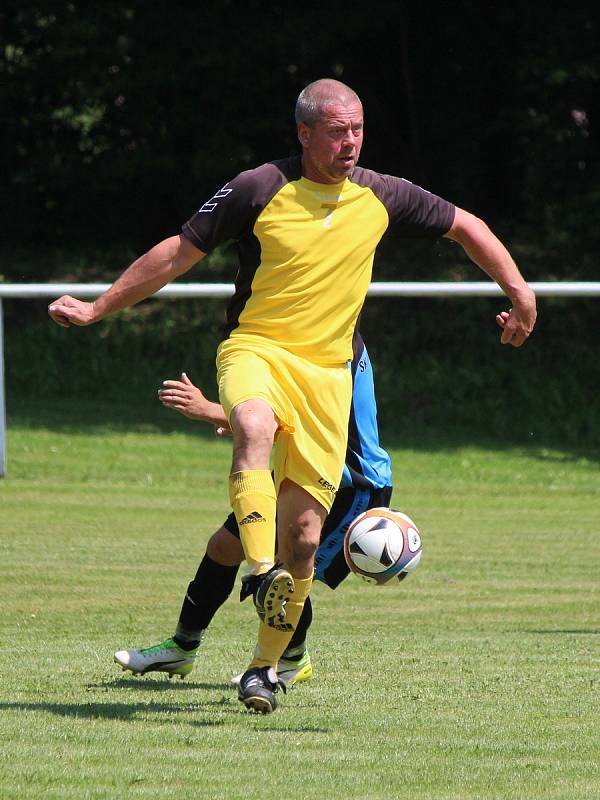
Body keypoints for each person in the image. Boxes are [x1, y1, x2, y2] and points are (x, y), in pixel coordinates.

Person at [48, 78, 537, 714]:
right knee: (251, 427)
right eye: (337, 131)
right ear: (304, 133)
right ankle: (258, 572)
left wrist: (520, 292)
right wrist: (97, 309)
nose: (351, 142)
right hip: (256, 348)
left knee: (304, 538)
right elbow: (175, 254)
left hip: (329, 377)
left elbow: (465, 225)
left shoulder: (381, 195)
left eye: (358, 129)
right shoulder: (257, 188)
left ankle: (262, 669)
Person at [114, 330, 393, 693]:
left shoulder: (333, 343)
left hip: (352, 481)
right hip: (305, 466)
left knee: (281, 569)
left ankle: (290, 660)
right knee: (223, 548)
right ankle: (182, 648)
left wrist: (211, 410)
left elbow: (293, 422)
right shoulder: (303, 336)